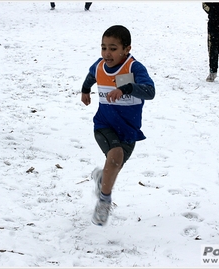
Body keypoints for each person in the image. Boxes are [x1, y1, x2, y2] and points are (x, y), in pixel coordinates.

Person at [81, 25, 155, 226]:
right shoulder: (99, 66)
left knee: (114, 166)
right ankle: (104, 202)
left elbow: (150, 92)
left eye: (113, 48)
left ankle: (101, 180)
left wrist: (127, 88)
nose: (107, 53)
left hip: (129, 130)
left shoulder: (134, 68)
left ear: (126, 49)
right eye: (103, 48)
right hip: (104, 124)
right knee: (115, 157)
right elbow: (91, 76)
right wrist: (85, 90)